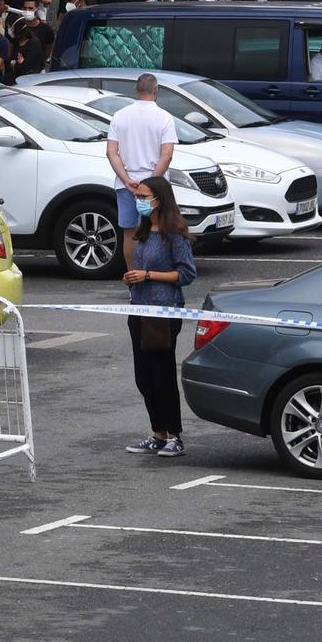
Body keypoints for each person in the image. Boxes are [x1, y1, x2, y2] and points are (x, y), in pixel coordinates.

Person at [122, 175, 196, 458]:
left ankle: (174, 436)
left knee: (163, 374)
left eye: (144, 197)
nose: (139, 201)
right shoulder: (142, 230)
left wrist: (149, 275)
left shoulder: (174, 233)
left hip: (163, 311)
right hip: (138, 308)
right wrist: (132, 278)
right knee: (144, 376)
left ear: (159, 199)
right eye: (137, 197)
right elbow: (140, 267)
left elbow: (187, 273)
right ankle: (158, 433)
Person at [104, 73, 177, 272]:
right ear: (156, 91)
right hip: (156, 186)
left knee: (130, 234)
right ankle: (155, 275)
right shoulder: (164, 117)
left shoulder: (120, 116)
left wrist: (127, 180)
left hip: (126, 184)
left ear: (136, 91)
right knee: (160, 230)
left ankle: (133, 279)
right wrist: (151, 182)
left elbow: (112, 152)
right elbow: (167, 155)